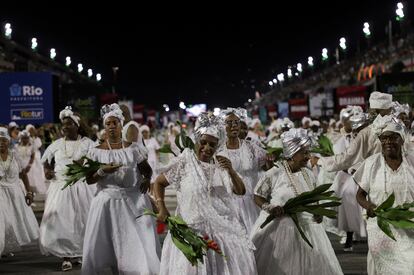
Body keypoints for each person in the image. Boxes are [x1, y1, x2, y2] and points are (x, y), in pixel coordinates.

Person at [154, 113, 257, 275]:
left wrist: (231, 171)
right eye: (203, 142)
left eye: (212, 145)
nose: (207, 148)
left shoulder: (221, 164)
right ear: (196, 141)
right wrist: (162, 208)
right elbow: (159, 182)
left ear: (218, 146)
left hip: (221, 233)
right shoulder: (185, 162)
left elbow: (240, 191)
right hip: (190, 231)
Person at [250, 128, 343, 275]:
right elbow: (257, 196)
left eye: (308, 152)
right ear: (292, 153)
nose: (308, 156)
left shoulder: (308, 173)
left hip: (309, 229)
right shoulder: (275, 173)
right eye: (304, 152)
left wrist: (318, 212)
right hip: (280, 230)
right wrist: (270, 208)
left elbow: (314, 196)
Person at [82, 103, 160, 275]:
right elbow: (89, 179)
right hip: (106, 203)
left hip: (133, 202)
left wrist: (147, 179)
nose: (111, 127)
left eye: (115, 123)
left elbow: (146, 169)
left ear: (121, 125)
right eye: (108, 123)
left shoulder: (133, 149)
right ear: (104, 126)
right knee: (108, 244)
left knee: (132, 243)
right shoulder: (95, 152)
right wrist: (103, 170)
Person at [354, 115, 414, 274]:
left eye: (393, 137)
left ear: (401, 139)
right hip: (381, 230)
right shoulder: (371, 163)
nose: (388, 142)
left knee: (409, 266)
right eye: (384, 138)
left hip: (409, 227)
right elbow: (360, 195)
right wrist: (369, 206)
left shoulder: (412, 162)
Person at [40, 106, 95, 271]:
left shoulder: (88, 144)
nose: (64, 127)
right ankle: (66, 257)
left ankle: (79, 253)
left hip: (81, 187)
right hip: (60, 188)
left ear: (77, 126)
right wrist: (48, 172)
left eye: (69, 124)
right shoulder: (56, 144)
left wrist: (85, 167)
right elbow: (46, 162)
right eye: (63, 124)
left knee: (82, 222)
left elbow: (95, 162)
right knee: (62, 222)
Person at [312, 91, 393, 172]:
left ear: (374, 111)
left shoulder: (368, 132)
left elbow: (348, 157)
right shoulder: (400, 128)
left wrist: (321, 161)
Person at [218, 108, 268, 232]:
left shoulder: (252, 148)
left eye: (237, 122)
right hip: (229, 204)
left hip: (252, 202)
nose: (234, 126)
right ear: (222, 126)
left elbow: (267, 168)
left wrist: (270, 161)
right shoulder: (218, 150)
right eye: (229, 123)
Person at [0, 127, 39, 255]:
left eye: (4, 140)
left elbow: (23, 175)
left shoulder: (14, 155)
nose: (1, 143)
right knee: (3, 222)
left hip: (15, 194)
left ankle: (6, 247)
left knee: (11, 222)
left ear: (8, 141)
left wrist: (28, 192)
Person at [25, 125, 48, 195]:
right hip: (29, 156)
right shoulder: (26, 138)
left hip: (37, 156)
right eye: (30, 130)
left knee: (38, 171)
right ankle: (30, 189)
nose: (32, 131)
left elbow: (39, 145)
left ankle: (37, 188)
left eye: (32, 129)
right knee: (31, 173)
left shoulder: (37, 138)